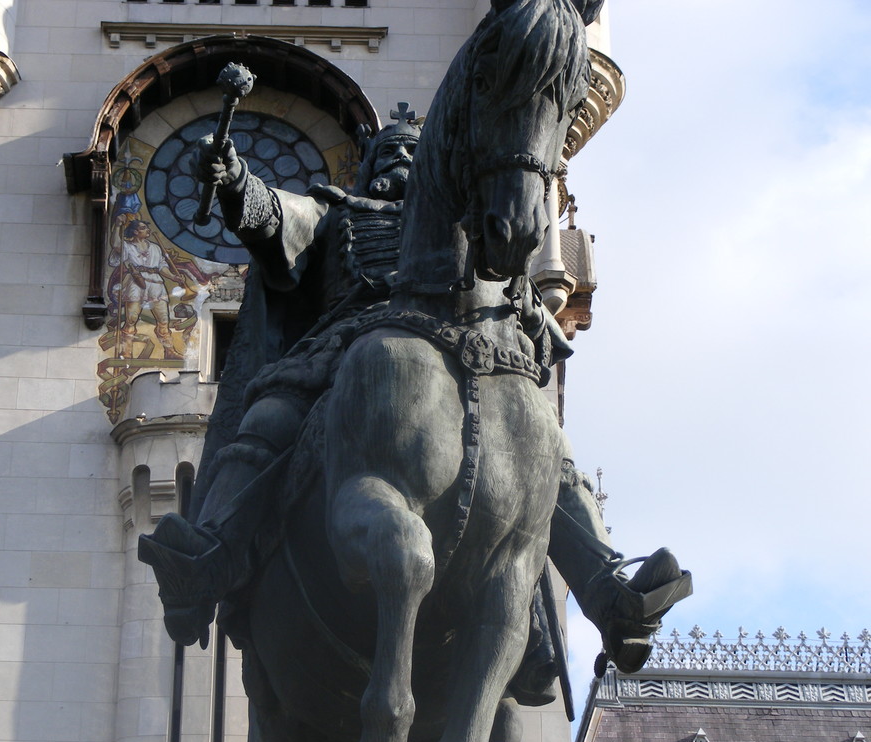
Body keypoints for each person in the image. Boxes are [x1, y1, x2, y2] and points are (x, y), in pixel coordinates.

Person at [139, 108, 689, 686]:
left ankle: (608, 591)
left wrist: (522, 299)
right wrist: (235, 182)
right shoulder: (336, 213)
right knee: (268, 421)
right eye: (387, 152)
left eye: (411, 152)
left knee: (548, 452)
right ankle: (208, 556)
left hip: (464, 354)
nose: (399, 160)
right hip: (343, 349)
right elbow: (276, 217)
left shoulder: (467, 228)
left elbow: (515, 299)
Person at [110, 217, 183, 360]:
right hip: (136, 282)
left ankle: (169, 351)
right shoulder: (128, 246)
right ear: (136, 232)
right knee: (131, 318)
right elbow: (115, 244)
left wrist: (173, 277)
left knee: (163, 319)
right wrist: (118, 226)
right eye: (143, 228)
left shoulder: (155, 248)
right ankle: (126, 352)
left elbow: (162, 267)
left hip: (156, 283)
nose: (147, 230)